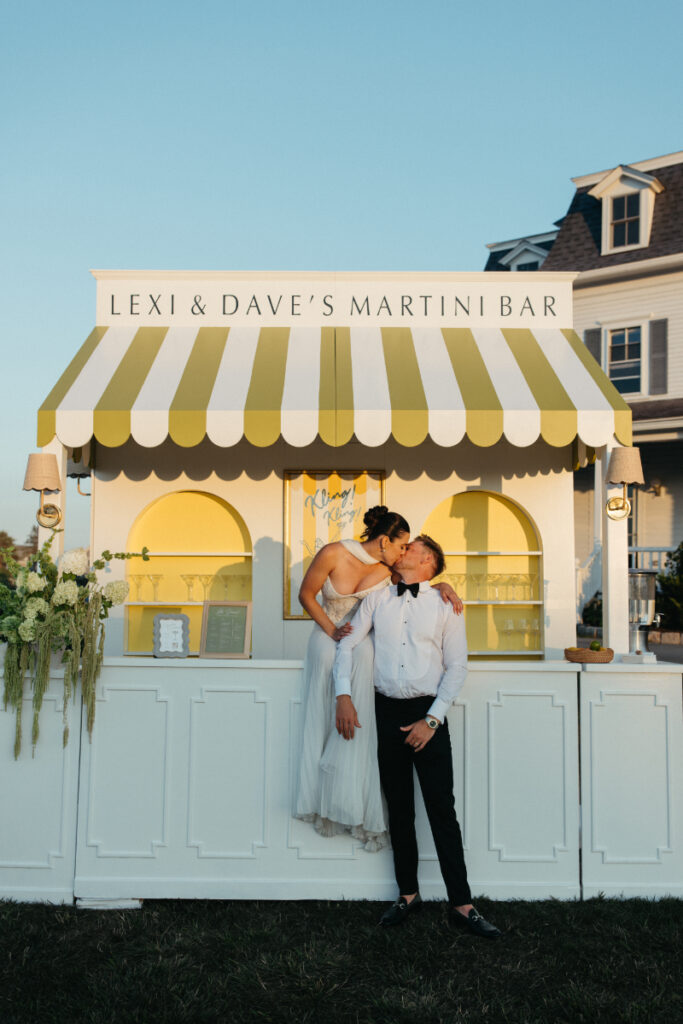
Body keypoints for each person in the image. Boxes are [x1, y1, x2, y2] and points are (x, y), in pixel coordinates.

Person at [334, 534, 501, 938]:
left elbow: (457, 667)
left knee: (442, 810)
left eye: (411, 548)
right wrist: (342, 693)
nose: (401, 550)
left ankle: (462, 904)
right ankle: (407, 894)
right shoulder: (375, 599)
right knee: (400, 809)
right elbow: (346, 644)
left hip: (429, 713)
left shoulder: (446, 603)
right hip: (385, 713)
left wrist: (431, 721)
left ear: (428, 560)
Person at [295, 507, 461, 851]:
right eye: (402, 546)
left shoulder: (389, 570)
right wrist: (333, 632)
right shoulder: (333, 553)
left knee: (365, 712)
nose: (404, 553)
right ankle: (321, 798)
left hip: (362, 644)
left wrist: (442, 584)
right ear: (385, 541)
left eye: (409, 549)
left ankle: (359, 804)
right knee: (328, 663)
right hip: (331, 633)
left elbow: (420, 584)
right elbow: (306, 595)